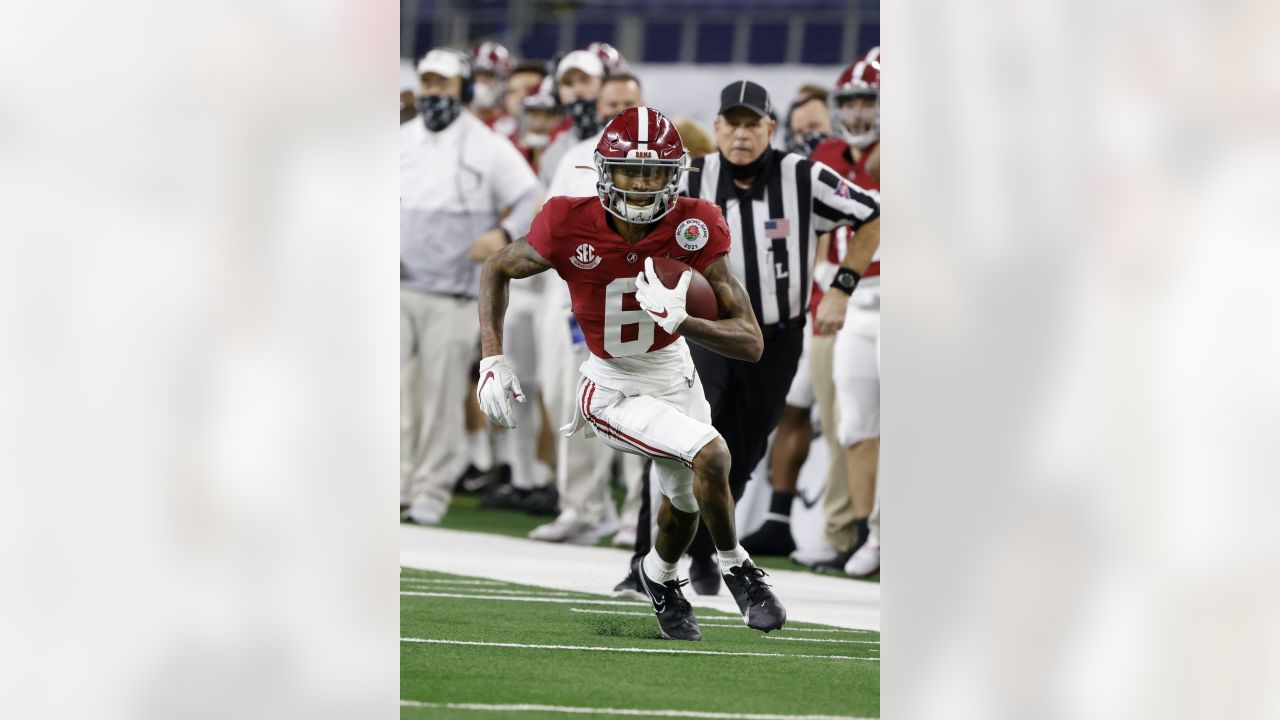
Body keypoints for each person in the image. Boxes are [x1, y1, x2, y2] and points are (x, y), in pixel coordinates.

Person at [477, 107, 785, 641]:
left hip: (675, 373)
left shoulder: (696, 223)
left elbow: (752, 341)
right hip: (613, 386)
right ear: (603, 170)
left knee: (684, 504)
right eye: (628, 171)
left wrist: (684, 321)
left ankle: (660, 576)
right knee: (710, 455)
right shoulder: (567, 220)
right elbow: (496, 267)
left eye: (655, 173)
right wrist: (492, 356)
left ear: (676, 174)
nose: (642, 186)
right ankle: (739, 569)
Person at [609, 80, 881, 597]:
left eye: (751, 123)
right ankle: (643, 562)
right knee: (677, 442)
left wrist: (843, 286)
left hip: (775, 337)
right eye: (731, 123)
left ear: (770, 129)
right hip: (706, 335)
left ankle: (708, 551)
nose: (740, 133)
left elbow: (871, 214)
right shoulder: (693, 179)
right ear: (716, 129)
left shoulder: (803, 176)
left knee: (745, 449)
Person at [400, 47, 540, 525]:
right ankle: (394, 482)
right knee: (395, 392)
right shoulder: (401, 139)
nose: (434, 93)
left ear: (460, 88)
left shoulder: (485, 144)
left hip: (455, 292)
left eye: (443, 84)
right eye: (428, 83)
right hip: (399, 286)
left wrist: (502, 236)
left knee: (439, 396)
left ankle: (431, 489)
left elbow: (530, 196)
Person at [526, 72, 647, 545]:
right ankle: (581, 509)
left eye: (626, 102)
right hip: (576, 298)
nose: (616, 110)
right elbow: (548, 223)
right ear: (598, 108)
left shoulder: (658, 158)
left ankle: (638, 515)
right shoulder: (578, 155)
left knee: (639, 409)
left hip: (636, 299)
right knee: (574, 406)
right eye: (610, 102)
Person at [740, 85, 840, 557]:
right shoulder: (784, 178)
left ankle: (853, 526)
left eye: (816, 130)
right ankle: (779, 515)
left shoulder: (846, 171)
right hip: (807, 305)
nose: (808, 141)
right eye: (800, 133)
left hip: (850, 299)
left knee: (850, 420)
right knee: (793, 407)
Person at [810, 47, 882, 577]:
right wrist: (827, 287)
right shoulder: (827, 156)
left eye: (870, 101)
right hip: (849, 303)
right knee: (852, 423)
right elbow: (816, 236)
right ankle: (865, 534)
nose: (858, 112)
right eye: (851, 101)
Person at [538, 50, 607, 188]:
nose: (577, 89)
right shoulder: (552, 154)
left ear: (603, 84)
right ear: (559, 92)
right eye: (568, 83)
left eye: (585, 80)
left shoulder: (625, 140)